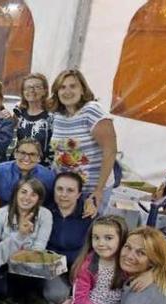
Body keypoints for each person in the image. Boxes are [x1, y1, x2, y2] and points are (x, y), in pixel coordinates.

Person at [49, 69, 118, 214]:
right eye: (62, 87)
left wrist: (98, 190)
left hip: (90, 190)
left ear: (82, 90)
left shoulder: (92, 111)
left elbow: (110, 150)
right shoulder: (58, 116)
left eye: (73, 86)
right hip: (66, 191)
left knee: (88, 233)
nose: (67, 91)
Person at [0, 178, 53, 297]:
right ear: (16, 193)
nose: (27, 198)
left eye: (33, 195)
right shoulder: (2, 213)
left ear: (39, 199)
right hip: (1, 260)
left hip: (26, 263)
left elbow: (38, 248)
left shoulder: (45, 215)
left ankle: (22, 294)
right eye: (23, 192)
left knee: (33, 277)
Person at [43, 172, 93, 304]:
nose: (63, 194)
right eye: (59, 189)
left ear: (78, 194)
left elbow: (94, 247)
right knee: (56, 295)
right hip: (52, 264)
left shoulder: (88, 214)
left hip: (78, 264)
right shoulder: (45, 211)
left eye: (70, 190)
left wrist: (82, 264)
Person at [0, 139, 55, 205]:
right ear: (15, 154)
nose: (26, 158)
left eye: (32, 154)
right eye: (23, 153)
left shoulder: (49, 177)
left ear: (39, 158)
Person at [13, 73, 53, 165]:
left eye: (37, 87)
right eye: (27, 87)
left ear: (45, 91)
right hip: (19, 165)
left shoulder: (51, 117)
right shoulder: (18, 114)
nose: (32, 90)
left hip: (42, 168)